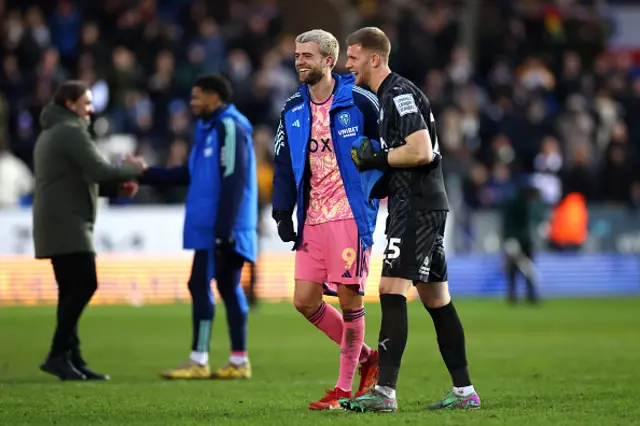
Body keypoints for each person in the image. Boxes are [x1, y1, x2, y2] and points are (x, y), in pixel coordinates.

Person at [341, 27, 481, 412]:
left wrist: (377, 160)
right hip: (421, 202)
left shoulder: (398, 94)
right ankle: (464, 391)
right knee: (436, 298)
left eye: (352, 58)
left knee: (390, 288)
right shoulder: (387, 96)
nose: (347, 65)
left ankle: (384, 393)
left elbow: (420, 151)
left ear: (374, 58)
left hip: (416, 205)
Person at [272, 29, 385, 410]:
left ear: (328, 60)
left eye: (307, 55)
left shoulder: (361, 101)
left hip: (349, 216)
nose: (299, 61)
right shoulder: (292, 108)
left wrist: (377, 192)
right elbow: (284, 163)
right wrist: (281, 210)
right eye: (297, 54)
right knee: (304, 301)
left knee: (351, 300)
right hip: (312, 218)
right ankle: (369, 357)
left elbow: (387, 150)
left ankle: (341, 390)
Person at [138, 74, 257, 380]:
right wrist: (143, 174)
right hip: (214, 224)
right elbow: (187, 173)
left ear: (214, 97)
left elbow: (234, 178)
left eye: (196, 97)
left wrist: (224, 227)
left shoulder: (230, 126)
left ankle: (199, 359)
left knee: (200, 284)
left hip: (221, 225)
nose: (192, 103)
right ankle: (239, 361)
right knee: (228, 287)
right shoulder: (208, 129)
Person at [33, 80, 145, 381]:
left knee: (70, 291)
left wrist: (116, 191)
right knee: (85, 283)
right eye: (86, 103)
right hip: (67, 223)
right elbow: (99, 170)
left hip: (57, 221)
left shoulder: (53, 131)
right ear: (70, 104)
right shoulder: (70, 132)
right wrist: (135, 167)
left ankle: (72, 357)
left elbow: (77, 180)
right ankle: (58, 353)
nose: (91, 110)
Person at [501, 175, 545, 304]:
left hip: (526, 239)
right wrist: (508, 238)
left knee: (528, 266)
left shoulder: (530, 202)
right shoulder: (513, 202)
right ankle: (513, 294)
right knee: (513, 268)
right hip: (514, 239)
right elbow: (507, 223)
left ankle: (531, 294)